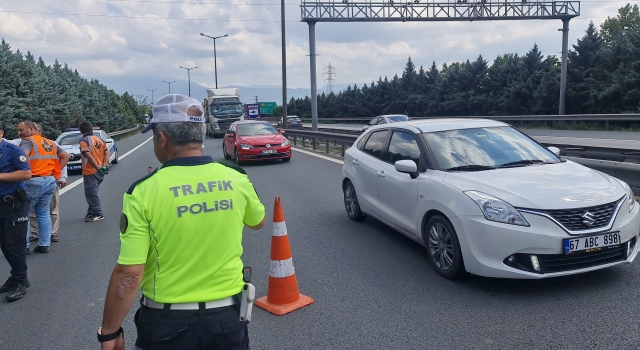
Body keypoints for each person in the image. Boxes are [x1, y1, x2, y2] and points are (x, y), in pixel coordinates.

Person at [98, 94, 266, 350]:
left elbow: (130, 273)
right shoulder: (236, 178)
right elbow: (257, 222)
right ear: (200, 134)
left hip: (167, 325)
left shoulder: (142, 191)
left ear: (162, 138)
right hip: (228, 321)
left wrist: (109, 333)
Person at [18, 121, 69, 254]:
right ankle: (44, 244)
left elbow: (22, 159)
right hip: (49, 181)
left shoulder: (27, 141)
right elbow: (65, 156)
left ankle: (24, 246)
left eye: (21, 130)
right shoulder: (49, 142)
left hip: (33, 181)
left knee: (24, 214)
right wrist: (55, 173)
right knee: (43, 213)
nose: (19, 133)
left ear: (30, 129)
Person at [0, 121, 32, 301]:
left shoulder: (13, 151)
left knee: (15, 244)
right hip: (1, 205)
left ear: (1, 133)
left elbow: (26, 173)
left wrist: (1, 176)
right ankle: (15, 276)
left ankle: (21, 281)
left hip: (14, 203)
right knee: (4, 244)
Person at [28, 123, 67, 243]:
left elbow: (62, 158)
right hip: (46, 180)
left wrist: (61, 177)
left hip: (46, 179)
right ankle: (36, 234)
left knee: (52, 208)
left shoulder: (51, 143)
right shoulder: (27, 142)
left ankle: (52, 233)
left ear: (38, 131)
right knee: (37, 211)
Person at [78, 121, 109, 222]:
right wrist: (103, 165)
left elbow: (88, 155)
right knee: (93, 192)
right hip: (100, 171)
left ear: (81, 131)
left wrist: (97, 166)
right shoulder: (99, 139)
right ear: (92, 129)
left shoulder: (84, 141)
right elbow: (107, 152)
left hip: (90, 171)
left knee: (91, 194)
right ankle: (91, 212)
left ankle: (98, 213)